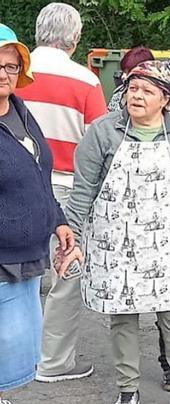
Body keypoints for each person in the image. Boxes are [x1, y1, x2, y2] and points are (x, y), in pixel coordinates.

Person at [60, 61, 170, 404]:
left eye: (147, 91)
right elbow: (83, 189)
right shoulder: (104, 132)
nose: (136, 95)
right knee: (123, 315)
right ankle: (127, 391)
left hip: (168, 242)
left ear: (165, 99)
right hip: (115, 242)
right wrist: (71, 234)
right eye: (133, 88)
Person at [16, 1, 107, 384]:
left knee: (15, 273)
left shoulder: (16, 72)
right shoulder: (86, 81)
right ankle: (52, 361)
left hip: (15, 184)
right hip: (68, 188)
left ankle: (14, 355)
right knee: (66, 273)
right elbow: (100, 141)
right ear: (75, 38)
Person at [0, 24, 75, 404]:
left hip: (27, 252)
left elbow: (38, 175)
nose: (5, 74)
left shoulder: (20, 111)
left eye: (12, 66)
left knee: (15, 339)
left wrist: (58, 221)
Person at [107, 46, 154, 112]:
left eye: (128, 72)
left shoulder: (157, 96)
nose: (123, 76)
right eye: (124, 71)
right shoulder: (119, 93)